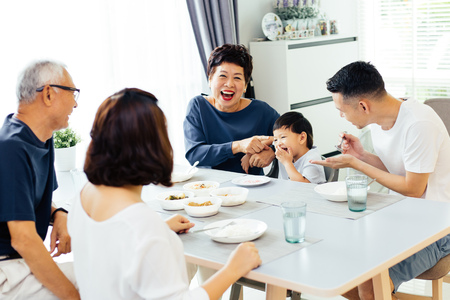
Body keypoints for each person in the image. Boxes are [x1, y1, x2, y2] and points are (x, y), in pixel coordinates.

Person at [67, 88, 261, 300]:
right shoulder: (142, 225)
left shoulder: (84, 195)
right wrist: (232, 269)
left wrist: (160, 229)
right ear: (152, 144)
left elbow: (112, 246)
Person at [311, 61, 450, 299]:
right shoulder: (379, 120)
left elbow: (414, 189)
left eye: (342, 110)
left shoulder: (419, 124)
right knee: (336, 268)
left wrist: (357, 164)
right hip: (400, 216)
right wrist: (361, 155)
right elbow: (398, 169)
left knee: (369, 283)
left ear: (363, 105)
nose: (342, 116)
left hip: (437, 227)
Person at [0, 60, 80, 299]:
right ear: (47, 94)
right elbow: (24, 240)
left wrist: (58, 213)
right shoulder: (10, 148)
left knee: (109, 272)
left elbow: (28, 200)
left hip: (18, 264)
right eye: (73, 93)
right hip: (6, 272)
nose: (76, 103)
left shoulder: (41, 138)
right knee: (104, 278)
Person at [183, 44, 279, 175]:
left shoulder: (261, 110)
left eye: (237, 78)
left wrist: (273, 152)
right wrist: (238, 146)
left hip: (252, 188)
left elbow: (295, 137)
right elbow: (195, 155)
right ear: (210, 80)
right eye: (223, 76)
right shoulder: (198, 106)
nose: (229, 84)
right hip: (208, 188)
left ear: (245, 85)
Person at [273, 111, 325, 183]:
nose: (278, 143)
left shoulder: (312, 159)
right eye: (275, 139)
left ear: (302, 138)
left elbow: (304, 187)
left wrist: (287, 163)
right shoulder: (285, 154)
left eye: (283, 137)